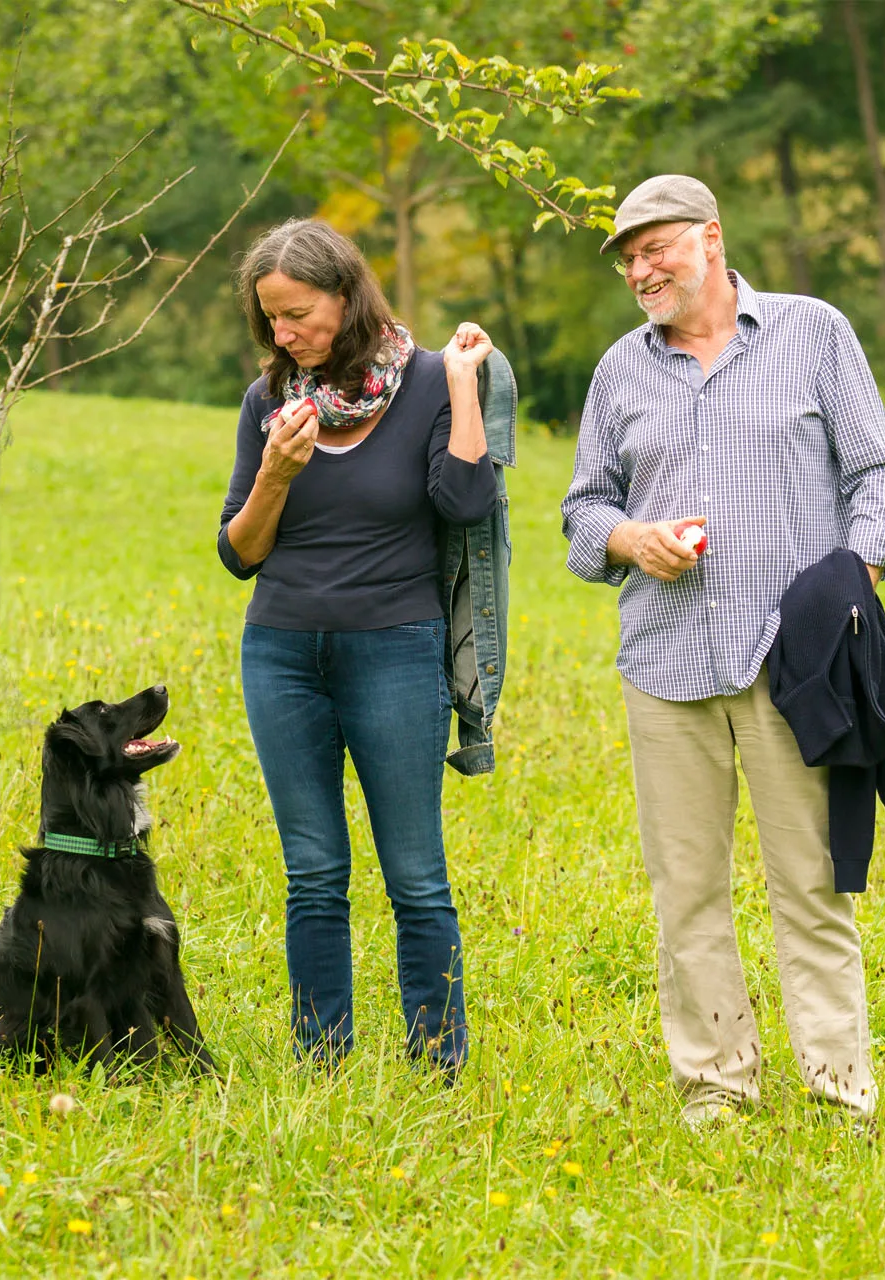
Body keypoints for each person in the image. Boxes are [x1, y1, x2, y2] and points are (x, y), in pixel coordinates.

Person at [560, 175, 885, 1125]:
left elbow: (879, 478)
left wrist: (852, 580)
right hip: (665, 665)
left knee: (810, 885)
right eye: (628, 258)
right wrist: (629, 540)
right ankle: (717, 1087)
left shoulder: (813, 333)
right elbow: (582, 509)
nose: (641, 269)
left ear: (710, 240)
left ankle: (841, 1091)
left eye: (657, 248)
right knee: (686, 893)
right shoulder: (619, 372)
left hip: (792, 666)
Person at [218, 218, 497, 1073]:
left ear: (345, 296)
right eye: (269, 319)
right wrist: (276, 474)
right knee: (313, 871)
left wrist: (458, 386)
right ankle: (321, 1057)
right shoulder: (270, 402)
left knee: (415, 874)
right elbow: (238, 553)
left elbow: (465, 502)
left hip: (396, 651)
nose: (282, 334)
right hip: (283, 653)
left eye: (296, 314)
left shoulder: (423, 381)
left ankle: (438, 1058)